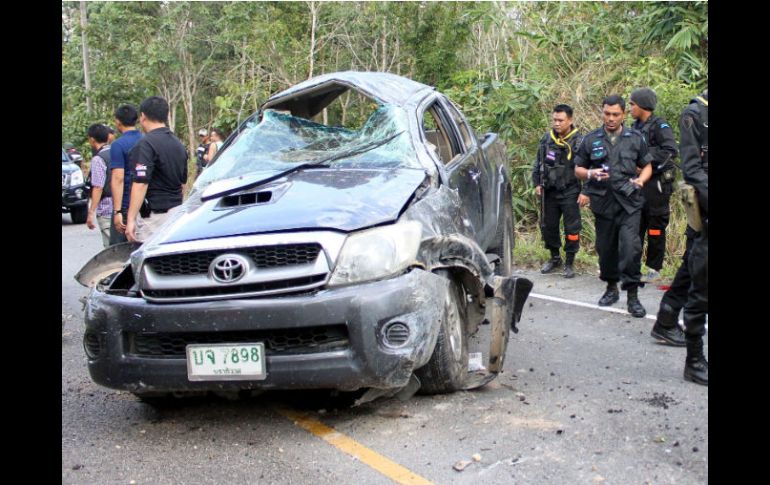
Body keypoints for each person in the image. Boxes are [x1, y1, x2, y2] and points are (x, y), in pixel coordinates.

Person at [574, 95, 652, 318]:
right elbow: (578, 168)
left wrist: (641, 180)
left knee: (630, 249)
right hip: (603, 203)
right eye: (607, 114)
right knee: (606, 250)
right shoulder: (591, 139)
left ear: (624, 115)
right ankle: (611, 288)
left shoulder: (635, 138)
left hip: (629, 203)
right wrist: (589, 173)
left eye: (615, 114)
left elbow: (647, 165)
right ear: (602, 112)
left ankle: (633, 296)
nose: (610, 118)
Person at [651, 90, 708, 385]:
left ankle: (667, 319)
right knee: (700, 281)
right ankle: (694, 358)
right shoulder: (695, 115)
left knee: (692, 267)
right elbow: (694, 168)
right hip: (705, 212)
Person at [629, 88, 679, 281]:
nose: (630, 108)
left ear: (642, 105)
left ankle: (654, 268)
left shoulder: (660, 126)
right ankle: (633, 266)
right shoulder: (634, 127)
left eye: (632, 104)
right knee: (635, 226)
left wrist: (646, 164)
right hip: (638, 186)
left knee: (656, 226)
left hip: (656, 186)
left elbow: (669, 151)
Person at [531, 104, 586, 278]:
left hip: (570, 191)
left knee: (572, 228)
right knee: (548, 226)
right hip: (550, 191)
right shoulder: (547, 139)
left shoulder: (579, 141)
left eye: (560, 120)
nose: (557, 123)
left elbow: (587, 166)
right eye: (554, 120)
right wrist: (537, 183)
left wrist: (587, 192)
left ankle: (569, 261)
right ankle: (555, 257)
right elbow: (538, 162)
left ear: (570, 120)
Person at [125, 96, 188, 243]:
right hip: (176, 213)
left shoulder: (145, 145)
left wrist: (131, 219)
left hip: (154, 217)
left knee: (148, 261)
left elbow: (141, 183)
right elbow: (183, 184)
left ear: (142, 117)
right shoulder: (178, 144)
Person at [109, 104, 142, 245]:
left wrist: (118, 211)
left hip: (126, 205)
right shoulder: (146, 140)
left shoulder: (118, 145)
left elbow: (118, 178)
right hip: (145, 204)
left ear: (118, 121)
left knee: (118, 253)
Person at [85, 124, 113, 248]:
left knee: (111, 251)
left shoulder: (98, 159)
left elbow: (98, 187)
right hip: (123, 207)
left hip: (107, 209)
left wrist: (91, 212)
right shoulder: (117, 152)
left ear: (92, 139)